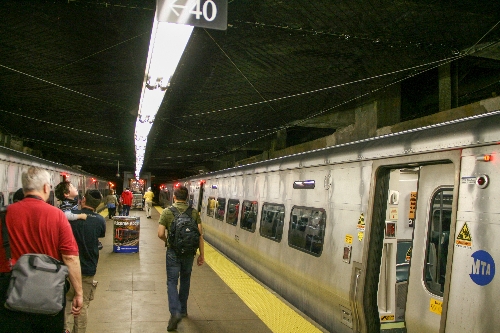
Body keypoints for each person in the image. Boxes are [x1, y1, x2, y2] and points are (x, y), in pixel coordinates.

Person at [0, 167, 83, 332]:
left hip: (9, 291)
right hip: (48, 291)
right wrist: (78, 292)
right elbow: (70, 258)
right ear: (46, 188)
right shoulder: (57, 216)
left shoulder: (3, 215)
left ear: (24, 188)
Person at [157, 185, 204, 331]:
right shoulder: (194, 213)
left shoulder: (167, 212)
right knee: (185, 280)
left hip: (173, 252)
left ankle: (175, 312)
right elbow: (200, 235)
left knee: (171, 281)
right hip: (189, 253)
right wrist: (202, 254)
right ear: (187, 198)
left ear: (174, 197)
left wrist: (168, 242)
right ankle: (183, 310)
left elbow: (160, 234)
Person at [64, 189, 106, 333]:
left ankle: (65, 329)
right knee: (83, 304)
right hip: (88, 268)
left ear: (83, 200)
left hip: (67, 268)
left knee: (66, 302)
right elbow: (100, 234)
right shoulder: (100, 220)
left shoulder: (69, 217)